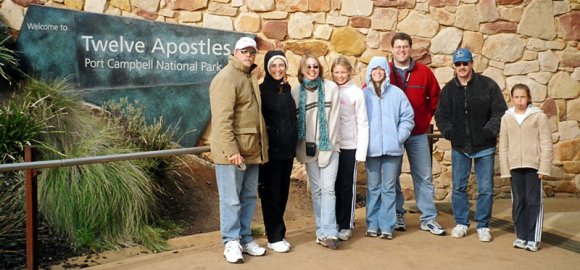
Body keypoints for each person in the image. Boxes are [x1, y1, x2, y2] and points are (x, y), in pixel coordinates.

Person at [435, 48, 507, 242]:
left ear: (471, 64)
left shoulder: (488, 86)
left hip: (485, 146)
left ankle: (483, 225)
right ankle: (461, 223)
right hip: (460, 147)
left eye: (465, 63)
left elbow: (500, 112)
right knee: (459, 187)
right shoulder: (448, 90)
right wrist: (451, 133)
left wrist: (488, 131)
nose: (462, 67)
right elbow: (441, 116)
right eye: (458, 64)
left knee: (485, 188)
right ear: (454, 66)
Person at [209, 37, 268, 263]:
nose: (249, 55)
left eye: (252, 52)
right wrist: (232, 150)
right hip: (232, 154)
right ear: (235, 52)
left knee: (248, 197)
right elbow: (223, 120)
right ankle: (231, 241)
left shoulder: (248, 76)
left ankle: (244, 238)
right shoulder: (226, 78)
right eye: (244, 51)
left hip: (251, 151)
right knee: (231, 199)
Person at [389, 32, 445, 235]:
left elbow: (435, 97)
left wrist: (425, 118)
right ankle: (397, 214)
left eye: (405, 46)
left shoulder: (424, 72)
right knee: (391, 177)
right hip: (392, 135)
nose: (401, 50)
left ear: (410, 49)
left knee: (423, 176)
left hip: (417, 133)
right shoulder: (384, 70)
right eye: (398, 47)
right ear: (392, 49)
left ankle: (428, 218)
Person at [291, 54, 341, 249]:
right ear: (302, 70)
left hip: (330, 146)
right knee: (317, 190)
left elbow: (335, 121)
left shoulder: (331, 89)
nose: (312, 70)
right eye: (308, 67)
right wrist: (301, 151)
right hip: (308, 148)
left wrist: (326, 149)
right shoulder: (296, 93)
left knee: (329, 188)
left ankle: (330, 231)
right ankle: (322, 231)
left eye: (315, 67)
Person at [363, 56, 414, 240]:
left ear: (386, 71)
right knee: (373, 187)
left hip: (393, 150)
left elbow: (408, 117)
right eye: (374, 69)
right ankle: (372, 224)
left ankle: (386, 225)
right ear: (369, 71)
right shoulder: (364, 95)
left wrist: (398, 138)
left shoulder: (397, 94)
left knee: (389, 187)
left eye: (381, 69)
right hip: (372, 150)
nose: (378, 72)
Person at [499, 84, 552, 252]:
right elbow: (503, 146)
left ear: (528, 98)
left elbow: (546, 143)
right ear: (512, 98)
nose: (519, 101)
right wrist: (505, 169)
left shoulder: (538, 117)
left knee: (533, 201)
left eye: (523, 97)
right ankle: (521, 236)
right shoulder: (506, 118)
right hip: (515, 166)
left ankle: (533, 238)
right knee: (518, 202)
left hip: (533, 167)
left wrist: (543, 167)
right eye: (516, 97)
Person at [258, 51, 297, 253]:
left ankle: (277, 232)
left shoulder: (286, 88)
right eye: (273, 66)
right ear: (267, 68)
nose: (277, 69)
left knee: (282, 193)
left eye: (281, 65)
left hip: (286, 152)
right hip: (271, 152)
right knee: (271, 194)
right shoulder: (262, 90)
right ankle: (274, 236)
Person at [331, 56, 368, 241]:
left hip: (349, 147)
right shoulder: (329, 89)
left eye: (343, 72)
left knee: (346, 186)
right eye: (336, 72)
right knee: (331, 186)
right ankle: (332, 222)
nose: (340, 75)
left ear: (349, 72)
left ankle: (346, 224)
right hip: (331, 147)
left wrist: (361, 151)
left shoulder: (356, 93)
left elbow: (362, 123)